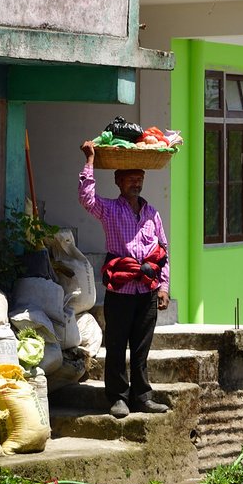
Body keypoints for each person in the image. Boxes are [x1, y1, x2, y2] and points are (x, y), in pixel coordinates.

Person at [79, 141, 169, 418]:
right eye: (130, 178)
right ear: (118, 181)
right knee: (117, 345)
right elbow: (86, 199)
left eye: (140, 179)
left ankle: (142, 396)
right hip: (120, 290)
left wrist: (164, 286)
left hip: (147, 291)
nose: (136, 183)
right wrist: (90, 159)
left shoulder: (152, 214)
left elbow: (163, 251)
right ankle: (118, 397)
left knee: (142, 347)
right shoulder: (109, 210)